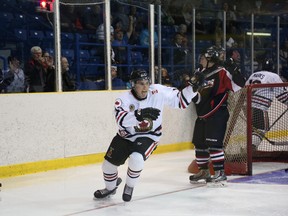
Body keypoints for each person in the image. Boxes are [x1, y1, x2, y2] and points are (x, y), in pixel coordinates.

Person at [94, 69, 199, 202]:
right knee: (107, 166)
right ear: (133, 84)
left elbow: (180, 101)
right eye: (141, 84)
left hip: (149, 136)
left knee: (136, 159)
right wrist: (138, 115)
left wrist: (193, 88)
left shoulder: (157, 91)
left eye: (147, 83)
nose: (145, 87)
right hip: (125, 136)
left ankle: (129, 186)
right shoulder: (123, 99)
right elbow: (121, 120)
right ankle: (110, 188)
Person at [188, 46, 242, 184]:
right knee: (199, 144)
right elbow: (194, 95)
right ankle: (204, 171)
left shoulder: (222, 72)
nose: (200, 59)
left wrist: (235, 70)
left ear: (210, 58)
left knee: (214, 144)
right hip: (202, 114)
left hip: (217, 113)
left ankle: (220, 173)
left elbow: (239, 85)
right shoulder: (199, 72)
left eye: (203, 57)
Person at [245, 59, 288, 151]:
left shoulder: (253, 75)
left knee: (253, 130)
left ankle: (248, 149)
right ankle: (250, 150)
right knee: (261, 129)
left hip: (247, 108)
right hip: (259, 108)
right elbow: (282, 96)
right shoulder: (273, 76)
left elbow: (244, 90)